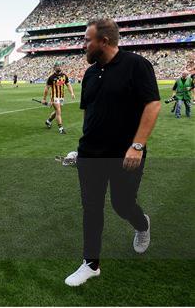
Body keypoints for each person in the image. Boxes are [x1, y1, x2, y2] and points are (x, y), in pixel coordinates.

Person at [65, 18, 161, 287]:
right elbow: (90, 113)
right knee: (91, 208)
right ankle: (91, 263)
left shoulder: (136, 65)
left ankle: (142, 225)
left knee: (122, 204)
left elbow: (152, 105)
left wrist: (137, 145)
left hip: (125, 154)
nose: (83, 45)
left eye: (87, 40)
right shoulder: (90, 73)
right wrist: (82, 148)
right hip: (90, 155)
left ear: (103, 41)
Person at [42, 62, 75, 134]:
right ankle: (61, 128)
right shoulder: (51, 77)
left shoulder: (64, 76)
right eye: (57, 66)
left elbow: (68, 85)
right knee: (58, 111)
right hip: (54, 97)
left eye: (59, 66)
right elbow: (46, 88)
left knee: (57, 111)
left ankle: (48, 121)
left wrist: (72, 93)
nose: (58, 67)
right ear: (54, 67)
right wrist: (44, 99)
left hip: (61, 97)